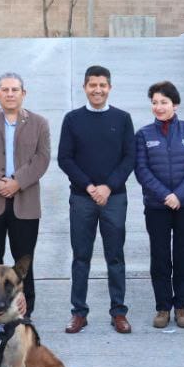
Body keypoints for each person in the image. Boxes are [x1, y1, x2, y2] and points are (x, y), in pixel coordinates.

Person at [58, 65, 136, 334]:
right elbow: (64, 158)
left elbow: (130, 158)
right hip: (82, 198)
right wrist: (90, 187)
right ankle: (79, 312)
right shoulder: (72, 119)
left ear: (110, 88)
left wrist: (108, 187)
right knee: (81, 257)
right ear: (85, 87)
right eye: (93, 85)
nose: (98, 90)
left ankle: (118, 312)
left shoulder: (123, 119)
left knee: (115, 256)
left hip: (114, 199)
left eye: (102, 85)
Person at [0, 72, 51, 315]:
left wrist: (17, 182)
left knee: (24, 259)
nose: (10, 94)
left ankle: (25, 311)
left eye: (15, 89)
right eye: (4, 90)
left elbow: (42, 159)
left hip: (25, 202)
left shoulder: (39, 123)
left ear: (23, 93)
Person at [134, 80, 184, 330]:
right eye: (154, 102)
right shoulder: (144, 134)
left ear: (175, 104)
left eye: (163, 102)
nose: (159, 107)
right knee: (160, 257)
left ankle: (182, 307)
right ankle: (163, 307)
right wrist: (166, 195)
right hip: (157, 206)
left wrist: (179, 195)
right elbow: (142, 170)